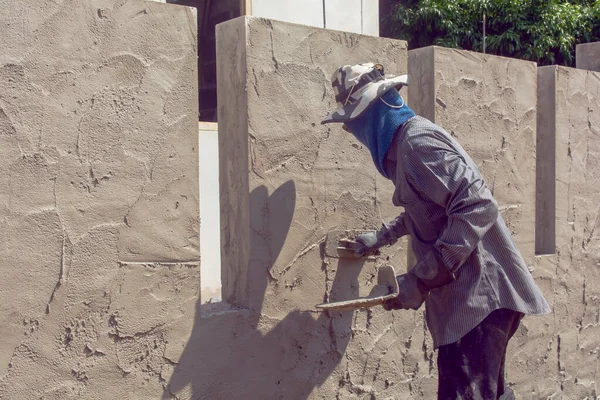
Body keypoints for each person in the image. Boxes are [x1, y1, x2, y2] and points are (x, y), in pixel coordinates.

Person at [321, 63, 550, 400]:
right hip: (470, 303)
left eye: (353, 121)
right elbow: (429, 209)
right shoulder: (405, 148)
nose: (351, 131)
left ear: (374, 110)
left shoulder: (415, 143)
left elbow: (477, 204)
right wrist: (381, 237)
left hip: (478, 298)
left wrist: (421, 279)